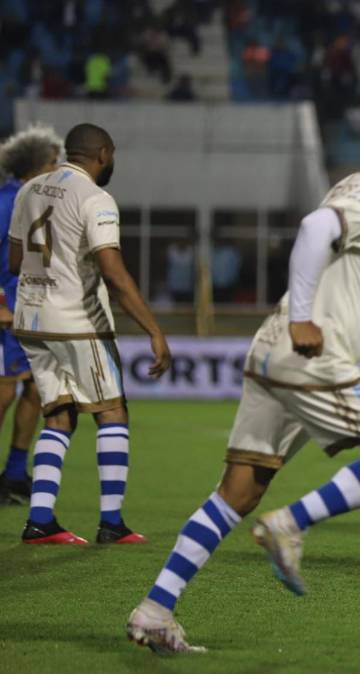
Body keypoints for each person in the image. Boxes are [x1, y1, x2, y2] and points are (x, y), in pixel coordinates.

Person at [126, 118, 360, 653]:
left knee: (237, 491)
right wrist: (303, 318)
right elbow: (314, 230)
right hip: (312, 356)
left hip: (272, 354)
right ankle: (291, 523)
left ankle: (154, 610)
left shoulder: (358, 185)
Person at [9, 123, 172, 543]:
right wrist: (153, 329)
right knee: (112, 411)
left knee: (58, 415)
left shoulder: (30, 190)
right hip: (77, 322)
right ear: (102, 153)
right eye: (111, 155)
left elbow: (13, 260)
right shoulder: (96, 198)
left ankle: (40, 520)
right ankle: (111, 523)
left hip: (31, 321)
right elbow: (113, 273)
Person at [0, 126, 61, 505]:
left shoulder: (38, 202)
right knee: (4, 392)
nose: (58, 170)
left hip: (33, 312)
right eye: (53, 164)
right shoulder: (7, 201)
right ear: (36, 167)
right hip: (6, 314)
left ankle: (14, 474)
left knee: (36, 390)